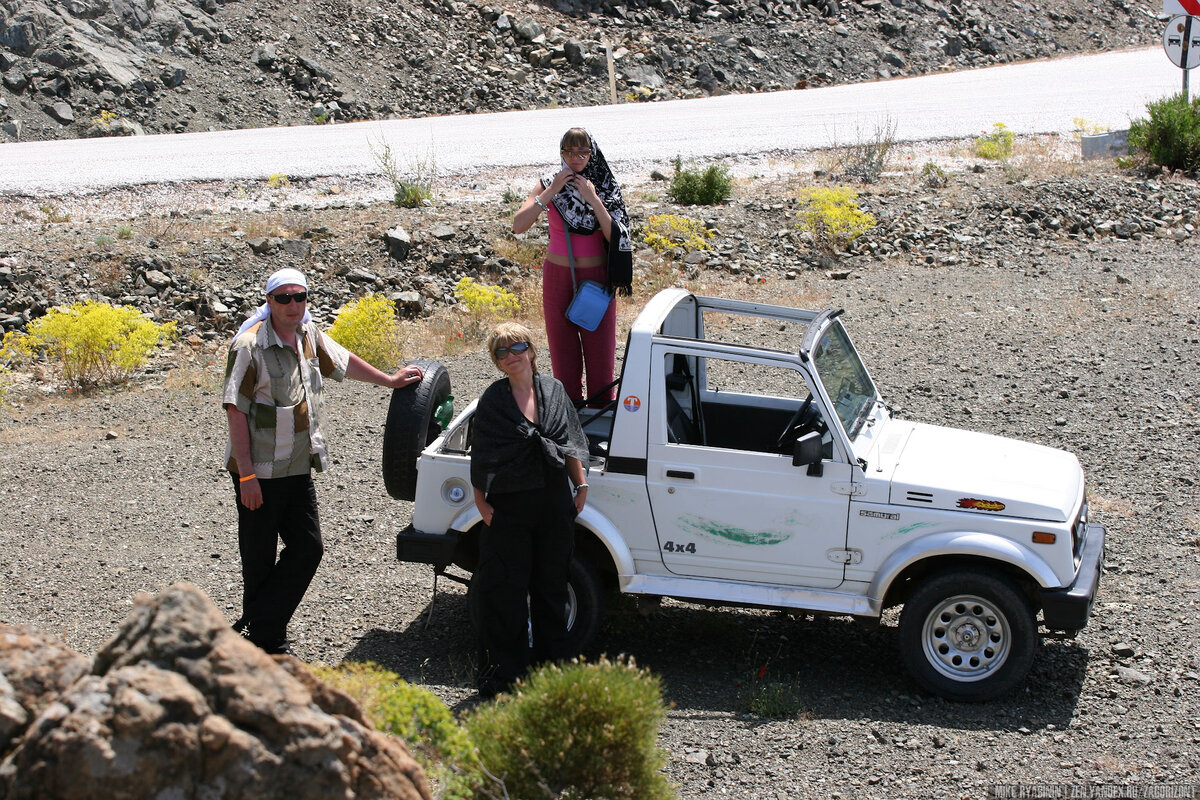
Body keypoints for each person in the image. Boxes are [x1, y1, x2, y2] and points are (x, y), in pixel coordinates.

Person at [222, 267, 423, 655]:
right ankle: (268, 640)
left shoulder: (307, 335)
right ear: (269, 301)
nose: (293, 305)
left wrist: (389, 380)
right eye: (284, 298)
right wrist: (246, 475)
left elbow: (342, 361)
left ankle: (257, 623)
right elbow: (234, 409)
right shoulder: (249, 346)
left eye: (300, 297)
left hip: (297, 466)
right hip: (259, 472)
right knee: (258, 557)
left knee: (308, 549)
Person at [469, 321, 591, 697]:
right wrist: (480, 501)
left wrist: (581, 483)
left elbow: (568, 440)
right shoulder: (494, 399)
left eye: (517, 347)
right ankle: (507, 677)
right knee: (506, 590)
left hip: (554, 501)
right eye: (501, 352)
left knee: (552, 587)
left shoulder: (553, 390)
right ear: (497, 362)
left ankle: (553, 674)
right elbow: (482, 453)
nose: (511, 357)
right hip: (509, 504)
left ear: (532, 350)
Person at [512, 127, 633, 404]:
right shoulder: (547, 183)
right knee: (562, 354)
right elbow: (519, 225)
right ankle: (569, 418)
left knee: (600, 355)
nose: (576, 158)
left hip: (597, 278)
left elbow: (617, 236)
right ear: (561, 153)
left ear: (592, 153)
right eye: (569, 151)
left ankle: (601, 419)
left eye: (582, 152)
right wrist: (552, 190)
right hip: (557, 276)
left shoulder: (603, 185)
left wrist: (593, 199)